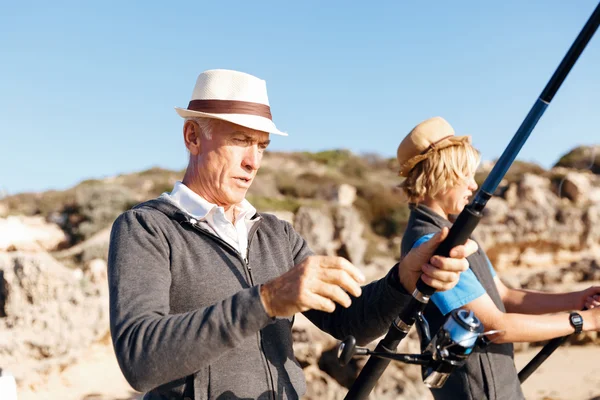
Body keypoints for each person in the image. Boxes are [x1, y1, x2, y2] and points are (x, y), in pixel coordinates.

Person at [107, 70, 479, 400]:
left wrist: (404, 279)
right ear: (192, 136)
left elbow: (350, 320)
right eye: (240, 140)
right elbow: (140, 359)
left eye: (262, 146)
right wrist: (267, 300)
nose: (253, 161)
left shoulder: (277, 234)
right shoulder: (146, 228)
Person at [397, 116, 600, 400]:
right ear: (439, 175)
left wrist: (576, 299)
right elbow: (494, 326)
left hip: (499, 386)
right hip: (479, 392)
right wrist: (585, 321)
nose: (473, 185)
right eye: (465, 175)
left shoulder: (456, 233)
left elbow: (504, 296)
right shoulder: (429, 242)